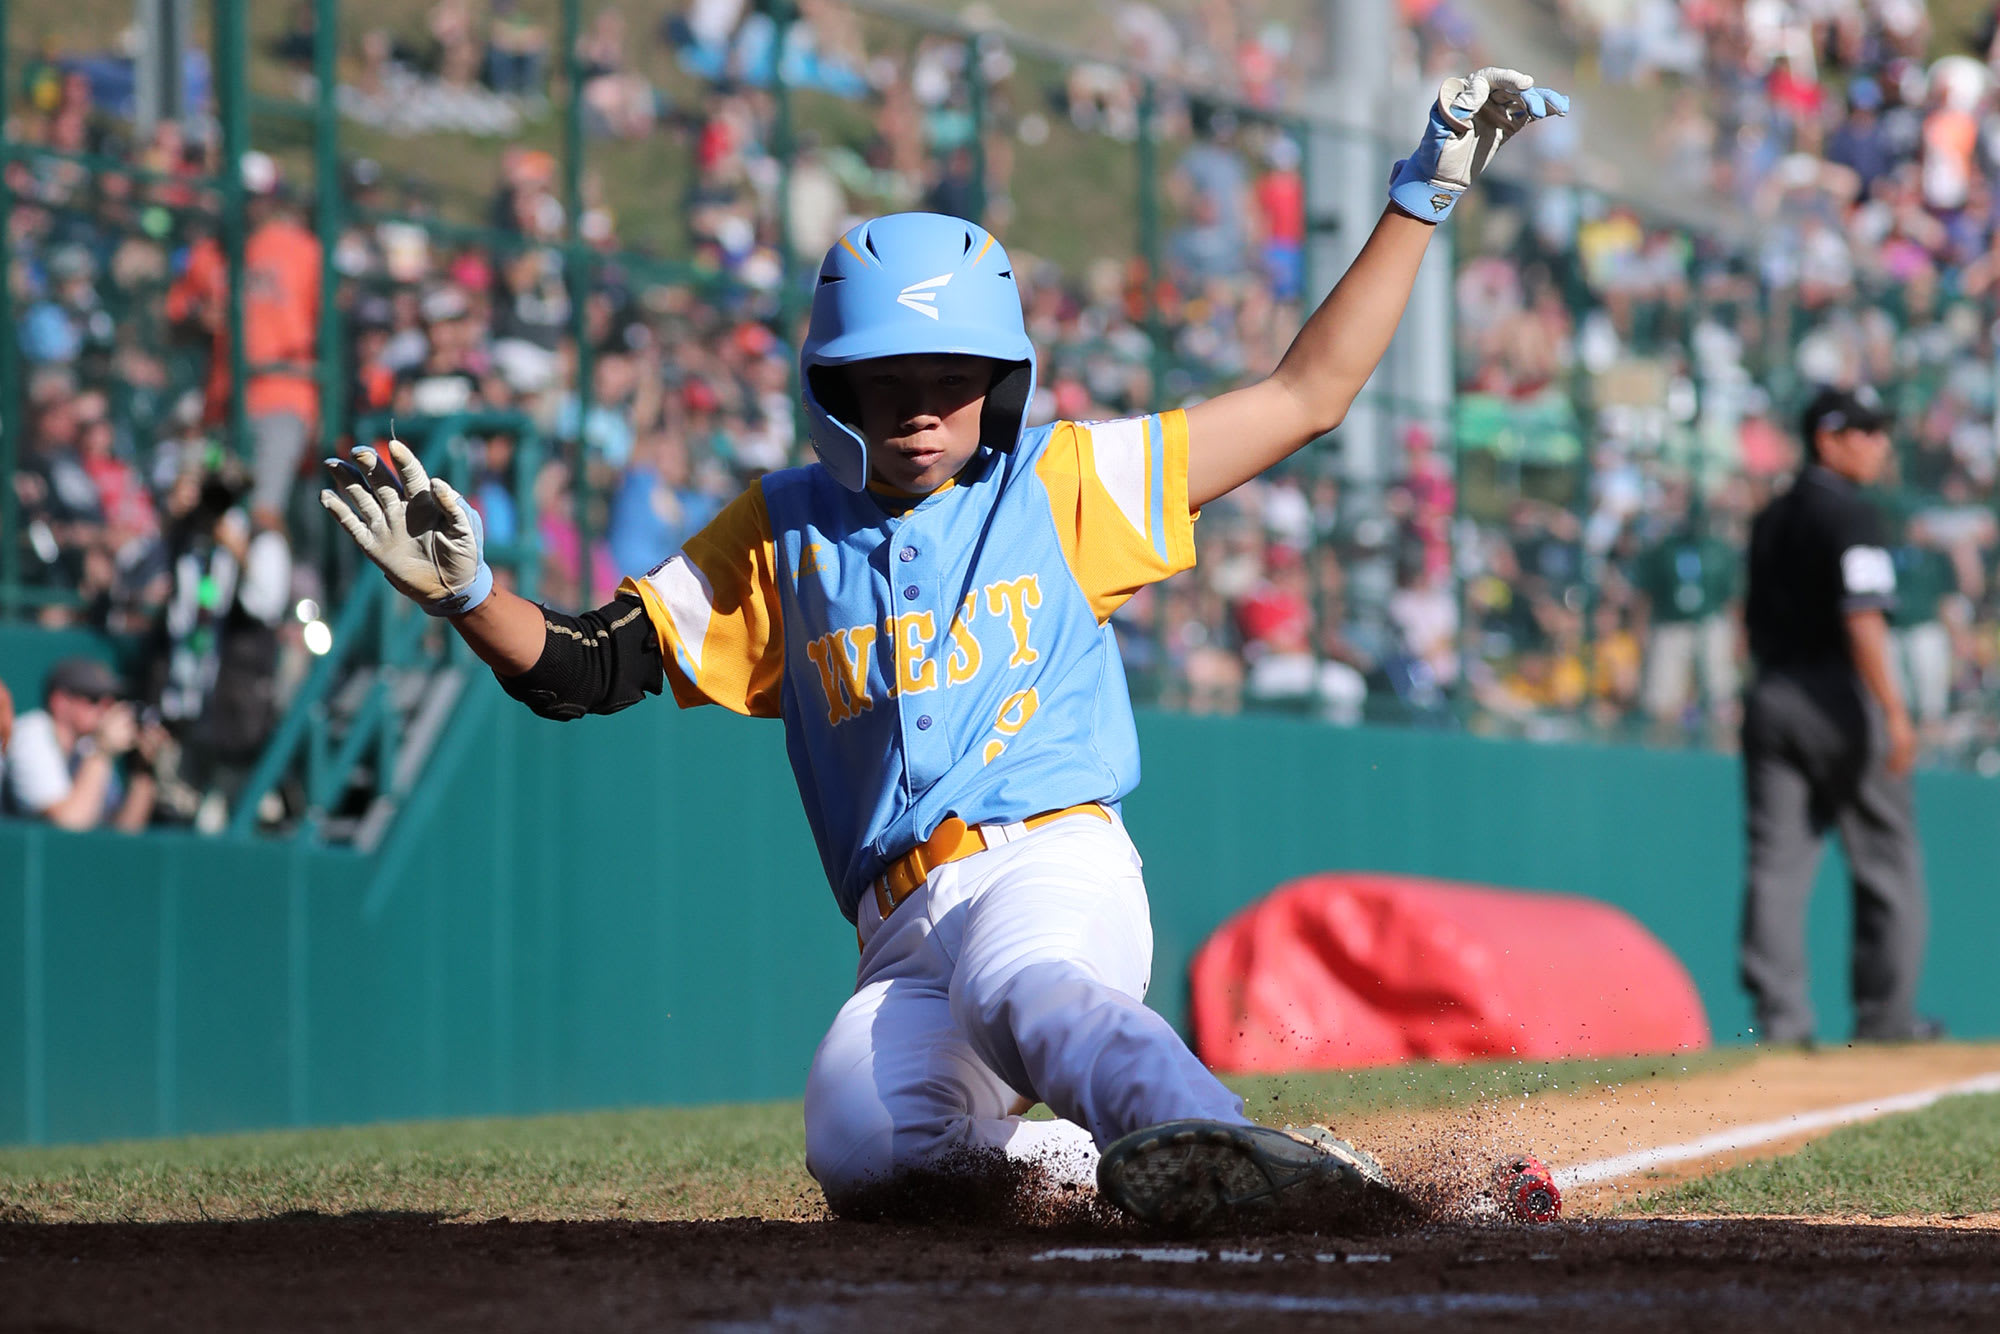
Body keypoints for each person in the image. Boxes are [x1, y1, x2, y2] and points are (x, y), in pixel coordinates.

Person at [320, 68, 1567, 1228]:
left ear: (1000, 377)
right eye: (885, 373)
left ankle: (1219, 1147)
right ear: (833, 385)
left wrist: (1420, 196)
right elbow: (585, 666)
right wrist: (471, 594)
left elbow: (1305, 397)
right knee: (866, 1149)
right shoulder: (780, 533)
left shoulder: (1066, 484)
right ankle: (1149, 1165)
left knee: (1029, 991)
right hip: (898, 929)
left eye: (952, 372)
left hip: (1049, 864)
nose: (920, 401)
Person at [1740, 387, 1939, 1046]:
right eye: (1865, 432)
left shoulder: (1769, 517)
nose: (1879, 444)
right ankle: (1885, 1023)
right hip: (1837, 699)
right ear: (1827, 439)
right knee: (1887, 858)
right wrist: (1895, 710)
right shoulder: (1851, 516)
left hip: (1772, 696)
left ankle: (1782, 1023)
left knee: (1777, 866)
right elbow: (1863, 620)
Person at [2, 658, 158, 832]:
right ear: (60, 701)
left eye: (112, 700)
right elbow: (69, 826)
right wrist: (102, 751)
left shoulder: (87, 745)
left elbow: (123, 833)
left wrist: (143, 769)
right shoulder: (31, 734)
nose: (107, 708)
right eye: (94, 699)